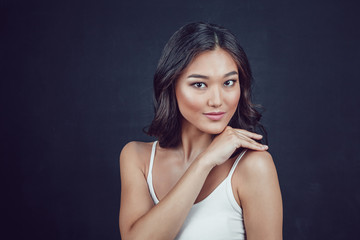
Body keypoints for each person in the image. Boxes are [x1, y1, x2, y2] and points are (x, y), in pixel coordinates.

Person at [119, 22, 283, 240]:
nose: (217, 101)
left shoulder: (253, 167)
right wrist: (205, 162)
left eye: (229, 82)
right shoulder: (137, 158)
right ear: (171, 85)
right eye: (199, 85)